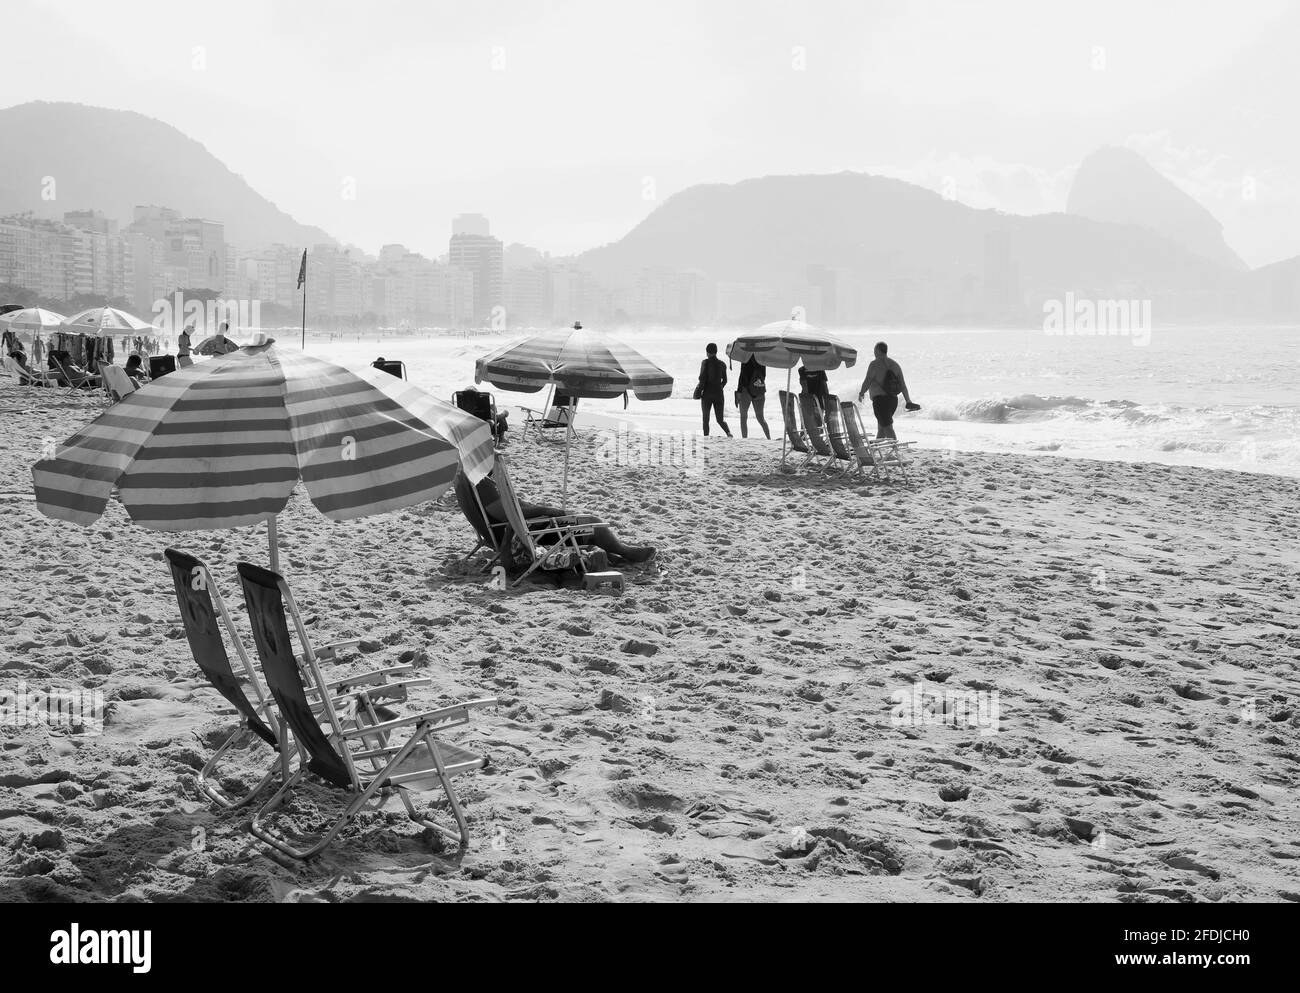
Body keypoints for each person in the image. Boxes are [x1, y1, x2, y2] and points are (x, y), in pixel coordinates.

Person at [472, 471, 656, 565]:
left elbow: (512, 509)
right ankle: (626, 552)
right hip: (527, 532)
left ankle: (609, 553)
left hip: (527, 525)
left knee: (574, 516)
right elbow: (508, 515)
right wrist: (547, 510)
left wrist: (542, 509)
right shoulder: (483, 483)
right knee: (594, 523)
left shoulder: (479, 478)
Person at [857, 341, 920, 441]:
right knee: (882, 427)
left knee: (887, 428)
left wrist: (861, 393)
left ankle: (894, 450)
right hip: (893, 401)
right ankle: (876, 450)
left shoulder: (874, 364)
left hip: (880, 401)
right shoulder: (895, 364)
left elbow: (868, 380)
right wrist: (908, 401)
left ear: (877, 350)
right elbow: (903, 385)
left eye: (874, 350)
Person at [697, 343, 732, 437]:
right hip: (719, 394)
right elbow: (725, 380)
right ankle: (729, 433)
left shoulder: (705, 362)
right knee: (720, 419)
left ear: (707, 352)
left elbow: (702, 378)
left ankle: (706, 437)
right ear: (716, 352)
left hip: (707, 394)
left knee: (706, 418)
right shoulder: (722, 364)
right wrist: (719, 387)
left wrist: (699, 390)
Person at [735, 355, 770, 439]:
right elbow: (763, 376)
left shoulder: (745, 357)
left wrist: (739, 391)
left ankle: (744, 439)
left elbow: (742, 375)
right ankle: (769, 438)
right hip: (759, 389)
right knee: (761, 418)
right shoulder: (762, 358)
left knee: (743, 417)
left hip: (746, 390)